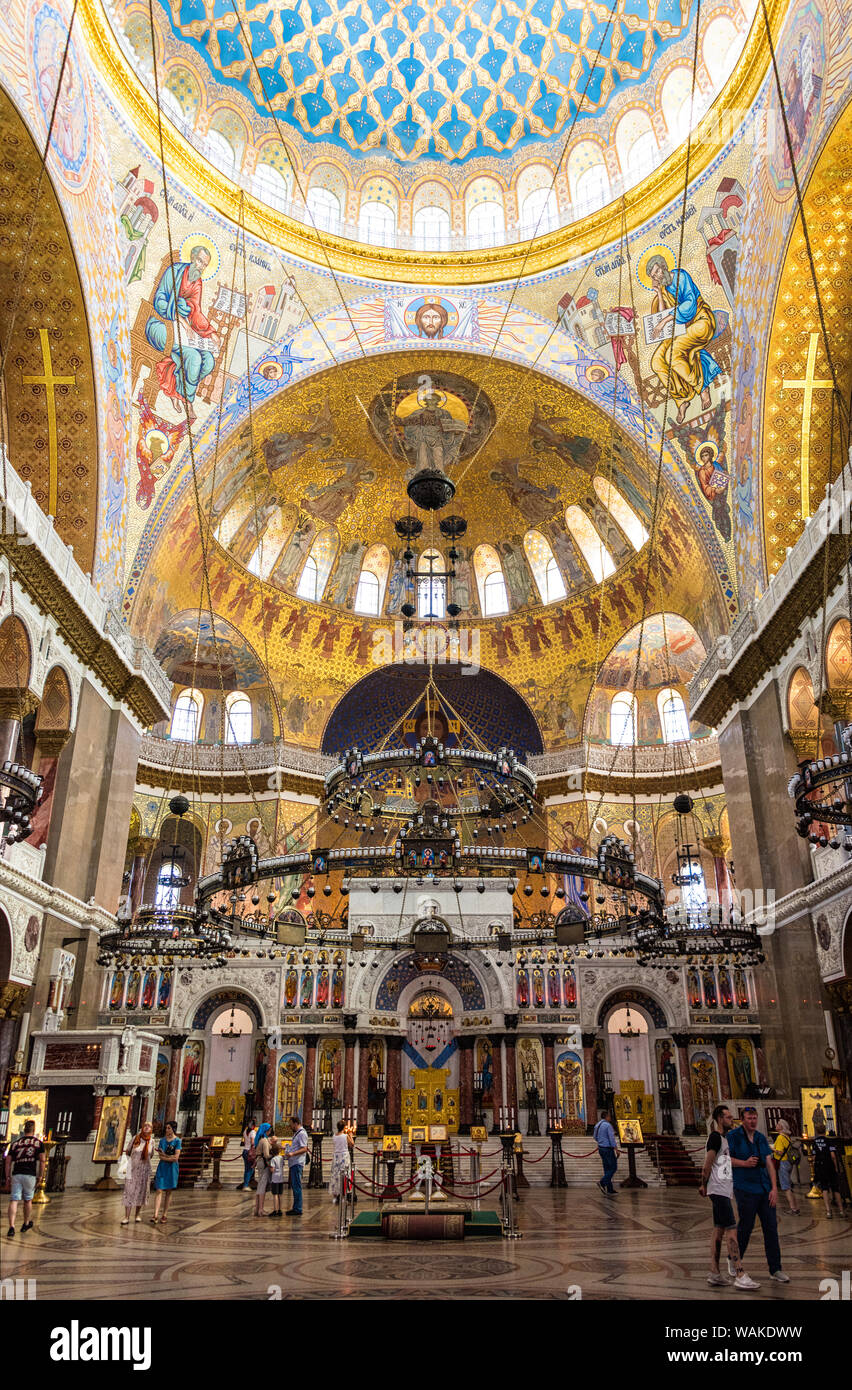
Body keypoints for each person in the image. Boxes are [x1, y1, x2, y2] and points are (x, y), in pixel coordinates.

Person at [699, 1104, 760, 1290]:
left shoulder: (723, 1139)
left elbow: (723, 1165)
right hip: (718, 1191)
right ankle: (740, 1273)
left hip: (723, 1190)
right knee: (732, 1231)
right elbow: (707, 1164)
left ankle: (715, 1273)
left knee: (718, 1230)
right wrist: (703, 1183)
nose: (730, 1120)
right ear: (719, 1118)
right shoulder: (716, 1138)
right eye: (727, 1117)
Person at [728, 1106, 790, 1282]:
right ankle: (734, 1260)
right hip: (745, 1187)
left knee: (771, 1228)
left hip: (764, 1188)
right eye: (749, 1118)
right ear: (742, 1119)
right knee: (745, 1227)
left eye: (755, 1118)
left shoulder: (761, 1138)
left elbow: (769, 1163)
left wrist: (774, 1188)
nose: (753, 1121)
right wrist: (744, 1163)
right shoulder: (733, 1136)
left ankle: (775, 1269)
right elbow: (725, 1159)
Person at [5, 1119, 45, 1238]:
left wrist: (7, 1176)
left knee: (14, 1200)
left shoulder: (15, 1143)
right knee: (28, 1200)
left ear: (24, 1129)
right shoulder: (38, 1143)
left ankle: (11, 1227)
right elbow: (42, 1160)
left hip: (17, 1173)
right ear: (33, 1130)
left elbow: (8, 1161)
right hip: (30, 1174)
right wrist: (40, 1175)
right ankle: (26, 1223)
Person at [811, 1120, 848, 1219]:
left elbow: (814, 1157)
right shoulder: (829, 1141)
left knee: (824, 1189)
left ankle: (828, 1211)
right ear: (825, 1130)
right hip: (829, 1166)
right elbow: (833, 1156)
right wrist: (835, 1167)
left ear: (817, 1131)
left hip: (820, 1167)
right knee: (835, 1188)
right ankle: (841, 1211)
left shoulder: (815, 1142)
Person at [122, 1121, 154, 1225]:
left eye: (149, 1126)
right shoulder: (135, 1138)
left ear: (151, 1129)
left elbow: (151, 1154)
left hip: (144, 1170)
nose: (146, 1127)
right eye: (145, 1125)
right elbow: (128, 1151)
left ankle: (137, 1215)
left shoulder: (152, 1141)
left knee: (141, 1191)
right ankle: (126, 1216)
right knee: (129, 1191)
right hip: (132, 1169)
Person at [150, 1121, 181, 1224]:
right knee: (159, 1190)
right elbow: (160, 1156)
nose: (167, 1130)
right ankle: (155, 1214)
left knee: (168, 1191)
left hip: (172, 1169)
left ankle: (165, 1214)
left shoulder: (177, 1141)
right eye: (166, 1128)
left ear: (173, 1129)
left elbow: (176, 1158)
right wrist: (169, 1157)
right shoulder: (162, 1141)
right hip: (162, 1167)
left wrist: (166, 1156)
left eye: (169, 1128)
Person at [772, 1119, 801, 1215]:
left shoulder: (780, 1137)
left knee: (786, 1187)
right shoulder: (786, 1137)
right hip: (788, 1162)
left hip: (783, 1162)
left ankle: (793, 1209)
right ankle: (796, 1207)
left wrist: (771, 1148)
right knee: (788, 1185)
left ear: (781, 1126)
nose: (776, 1125)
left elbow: (780, 1151)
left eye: (778, 1124)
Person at [593, 1109, 620, 1196]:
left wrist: (600, 1142)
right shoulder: (608, 1126)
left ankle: (610, 1189)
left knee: (607, 1168)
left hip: (601, 1148)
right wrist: (616, 1148)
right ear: (606, 1117)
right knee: (613, 1167)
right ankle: (602, 1182)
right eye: (609, 1116)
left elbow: (595, 1136)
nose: (610, 1118)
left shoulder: (597, 1125)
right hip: (608, 1149)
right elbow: (611, 1138)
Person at [286, 1113, 309, 1217]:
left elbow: (304, 1148)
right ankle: (295, 1207)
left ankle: (298, 1208)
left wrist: (292, 1153)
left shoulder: (302, 1134)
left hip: (297, 1162)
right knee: (295, 1185)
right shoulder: (297, 1133)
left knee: (297, 1186)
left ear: (296, 1123)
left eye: (291, 1124)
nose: (290, 1127)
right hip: (294, 1162)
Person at [253, 1122, 273, 1217]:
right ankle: (261, 1209)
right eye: (269, 1130)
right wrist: (276, 1155)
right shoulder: (264, 1140)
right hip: (264, 1163)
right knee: (262, 1186)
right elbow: (266, 1155)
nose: (270, 1132)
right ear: (266, 1130)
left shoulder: (259, 1139)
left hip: (259, 1162)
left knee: (260, 1185)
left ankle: (257, 1209)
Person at [330, 1119, 352, 1205]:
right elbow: (352, 1144)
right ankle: (345, 1195)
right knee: (345, 1175)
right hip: (344, 1156)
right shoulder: (345, 1136)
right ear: (344, 1127)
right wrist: (350, 1135)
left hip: (336, 1157)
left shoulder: (334, 1136)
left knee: (336, 1176)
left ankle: (336, 1196)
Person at [268, 1141, 285, 1217]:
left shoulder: (273, 1159)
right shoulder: (281, 1158)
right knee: (280, 1195)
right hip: (281, 1178)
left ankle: (275, 1210)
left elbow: (272, 1170)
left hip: (275, 1179)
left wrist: (269, 1166)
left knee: (275, 1194)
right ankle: (280, 1210)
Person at [240, 1121, 257, 1191]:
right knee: (250, 1169)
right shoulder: (252, 1132)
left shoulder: (245, 1131)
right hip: (250, 1152)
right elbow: (252, 1142)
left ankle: (246, 1183)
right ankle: (246, 1185)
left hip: (245, 1150)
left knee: (247, 1168)